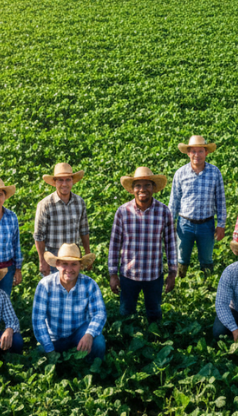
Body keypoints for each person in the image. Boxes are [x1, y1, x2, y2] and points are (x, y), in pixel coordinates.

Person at [108, 167, 177, 323]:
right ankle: (127, 344)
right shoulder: (123, 212)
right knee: (126, 313)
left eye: (147, 185)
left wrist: (172, 272)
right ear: (133, 189)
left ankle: (154, 342)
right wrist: (113, 274)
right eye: (138, 185)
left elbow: (170, 243)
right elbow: (114, 245)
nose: (142, 189)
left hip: (154, 275)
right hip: (128, 274)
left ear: (153, 188)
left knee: (154, 312)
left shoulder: (164, 211)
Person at [32, 243, 106, 360]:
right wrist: (49, 348)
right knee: (39, 354)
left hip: (79, 334)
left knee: (98, 343)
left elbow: (99, 313)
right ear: (57, 264)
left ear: (81, 265)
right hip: (54, 338)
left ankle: (90, 371)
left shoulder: (89, 284)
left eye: (74, 264)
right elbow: (38, 320)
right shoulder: (45, 285)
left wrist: (89, 334)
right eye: (64, 264)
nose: (69, 269)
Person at [169, 135, 227, 278]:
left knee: (206, 259)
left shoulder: (215, 172)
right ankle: (179, 287)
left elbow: (220, 200)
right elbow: (174, 201)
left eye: (200, 151)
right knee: (181, 258)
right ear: (188, 153)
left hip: (207, 224)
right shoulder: (180, 173)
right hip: (184, 224)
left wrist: (221, 224)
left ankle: (207, 287)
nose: (197, 155)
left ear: (206, 152)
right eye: (193, 151)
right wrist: (169, 223)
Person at [34, 163, 91, 276]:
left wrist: (87, 254)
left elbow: (84, 230)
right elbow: (39, 236)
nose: (64, 184)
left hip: (74, 255)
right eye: (60, 180)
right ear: (55, 182)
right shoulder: (45, 204)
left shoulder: (79, 202)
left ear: (72, 181)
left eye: (68, 180)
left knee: (74, 290)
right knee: (53, 290)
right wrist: (42, 261)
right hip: (53, 256)